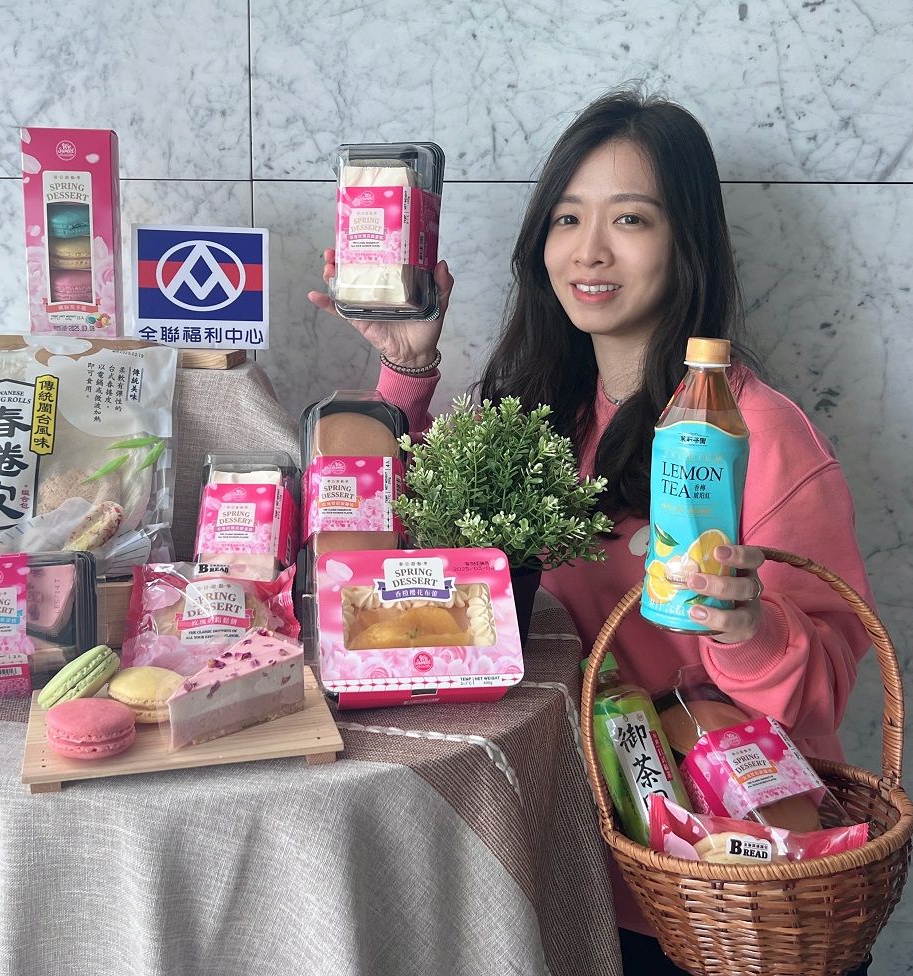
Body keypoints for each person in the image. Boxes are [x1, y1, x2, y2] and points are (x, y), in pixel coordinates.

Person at [309, 87, 875, 975]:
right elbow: (400, 557)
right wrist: (407, 370)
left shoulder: (757, 437)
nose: (590, 251)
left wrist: (749, 628)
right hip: (567, 859)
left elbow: (823, 691)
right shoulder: (540, 408)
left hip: (722, 888)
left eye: (631, 219)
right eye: (568, 218)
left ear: (688, 243)